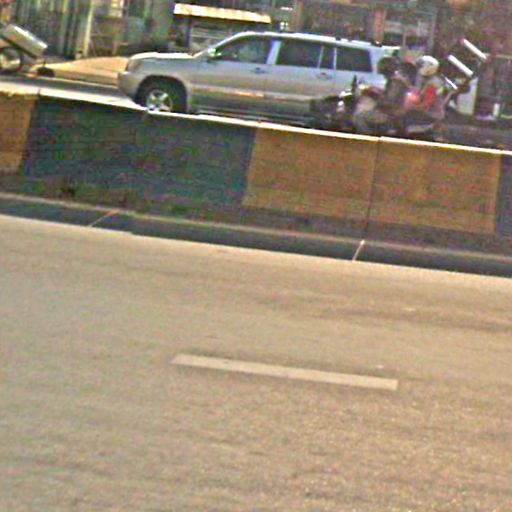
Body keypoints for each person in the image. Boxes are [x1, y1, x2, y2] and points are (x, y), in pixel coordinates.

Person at [352, 57, 410, 135]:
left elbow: (390, 101)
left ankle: (368, 138)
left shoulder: (396, 82)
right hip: (388, 110)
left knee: (359, 117)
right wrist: (375, 90)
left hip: (391, 113)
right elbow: (387, 95)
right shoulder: (394, 80)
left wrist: (374, 95)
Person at [404, 55, 446, 127]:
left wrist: (409, 107)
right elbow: (418, 93)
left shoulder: (433, 84)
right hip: (428, 112)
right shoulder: (429, 80)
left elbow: (425, 105)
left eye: (420, 66)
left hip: (431, 115)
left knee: (403, 120)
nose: (417, 70)